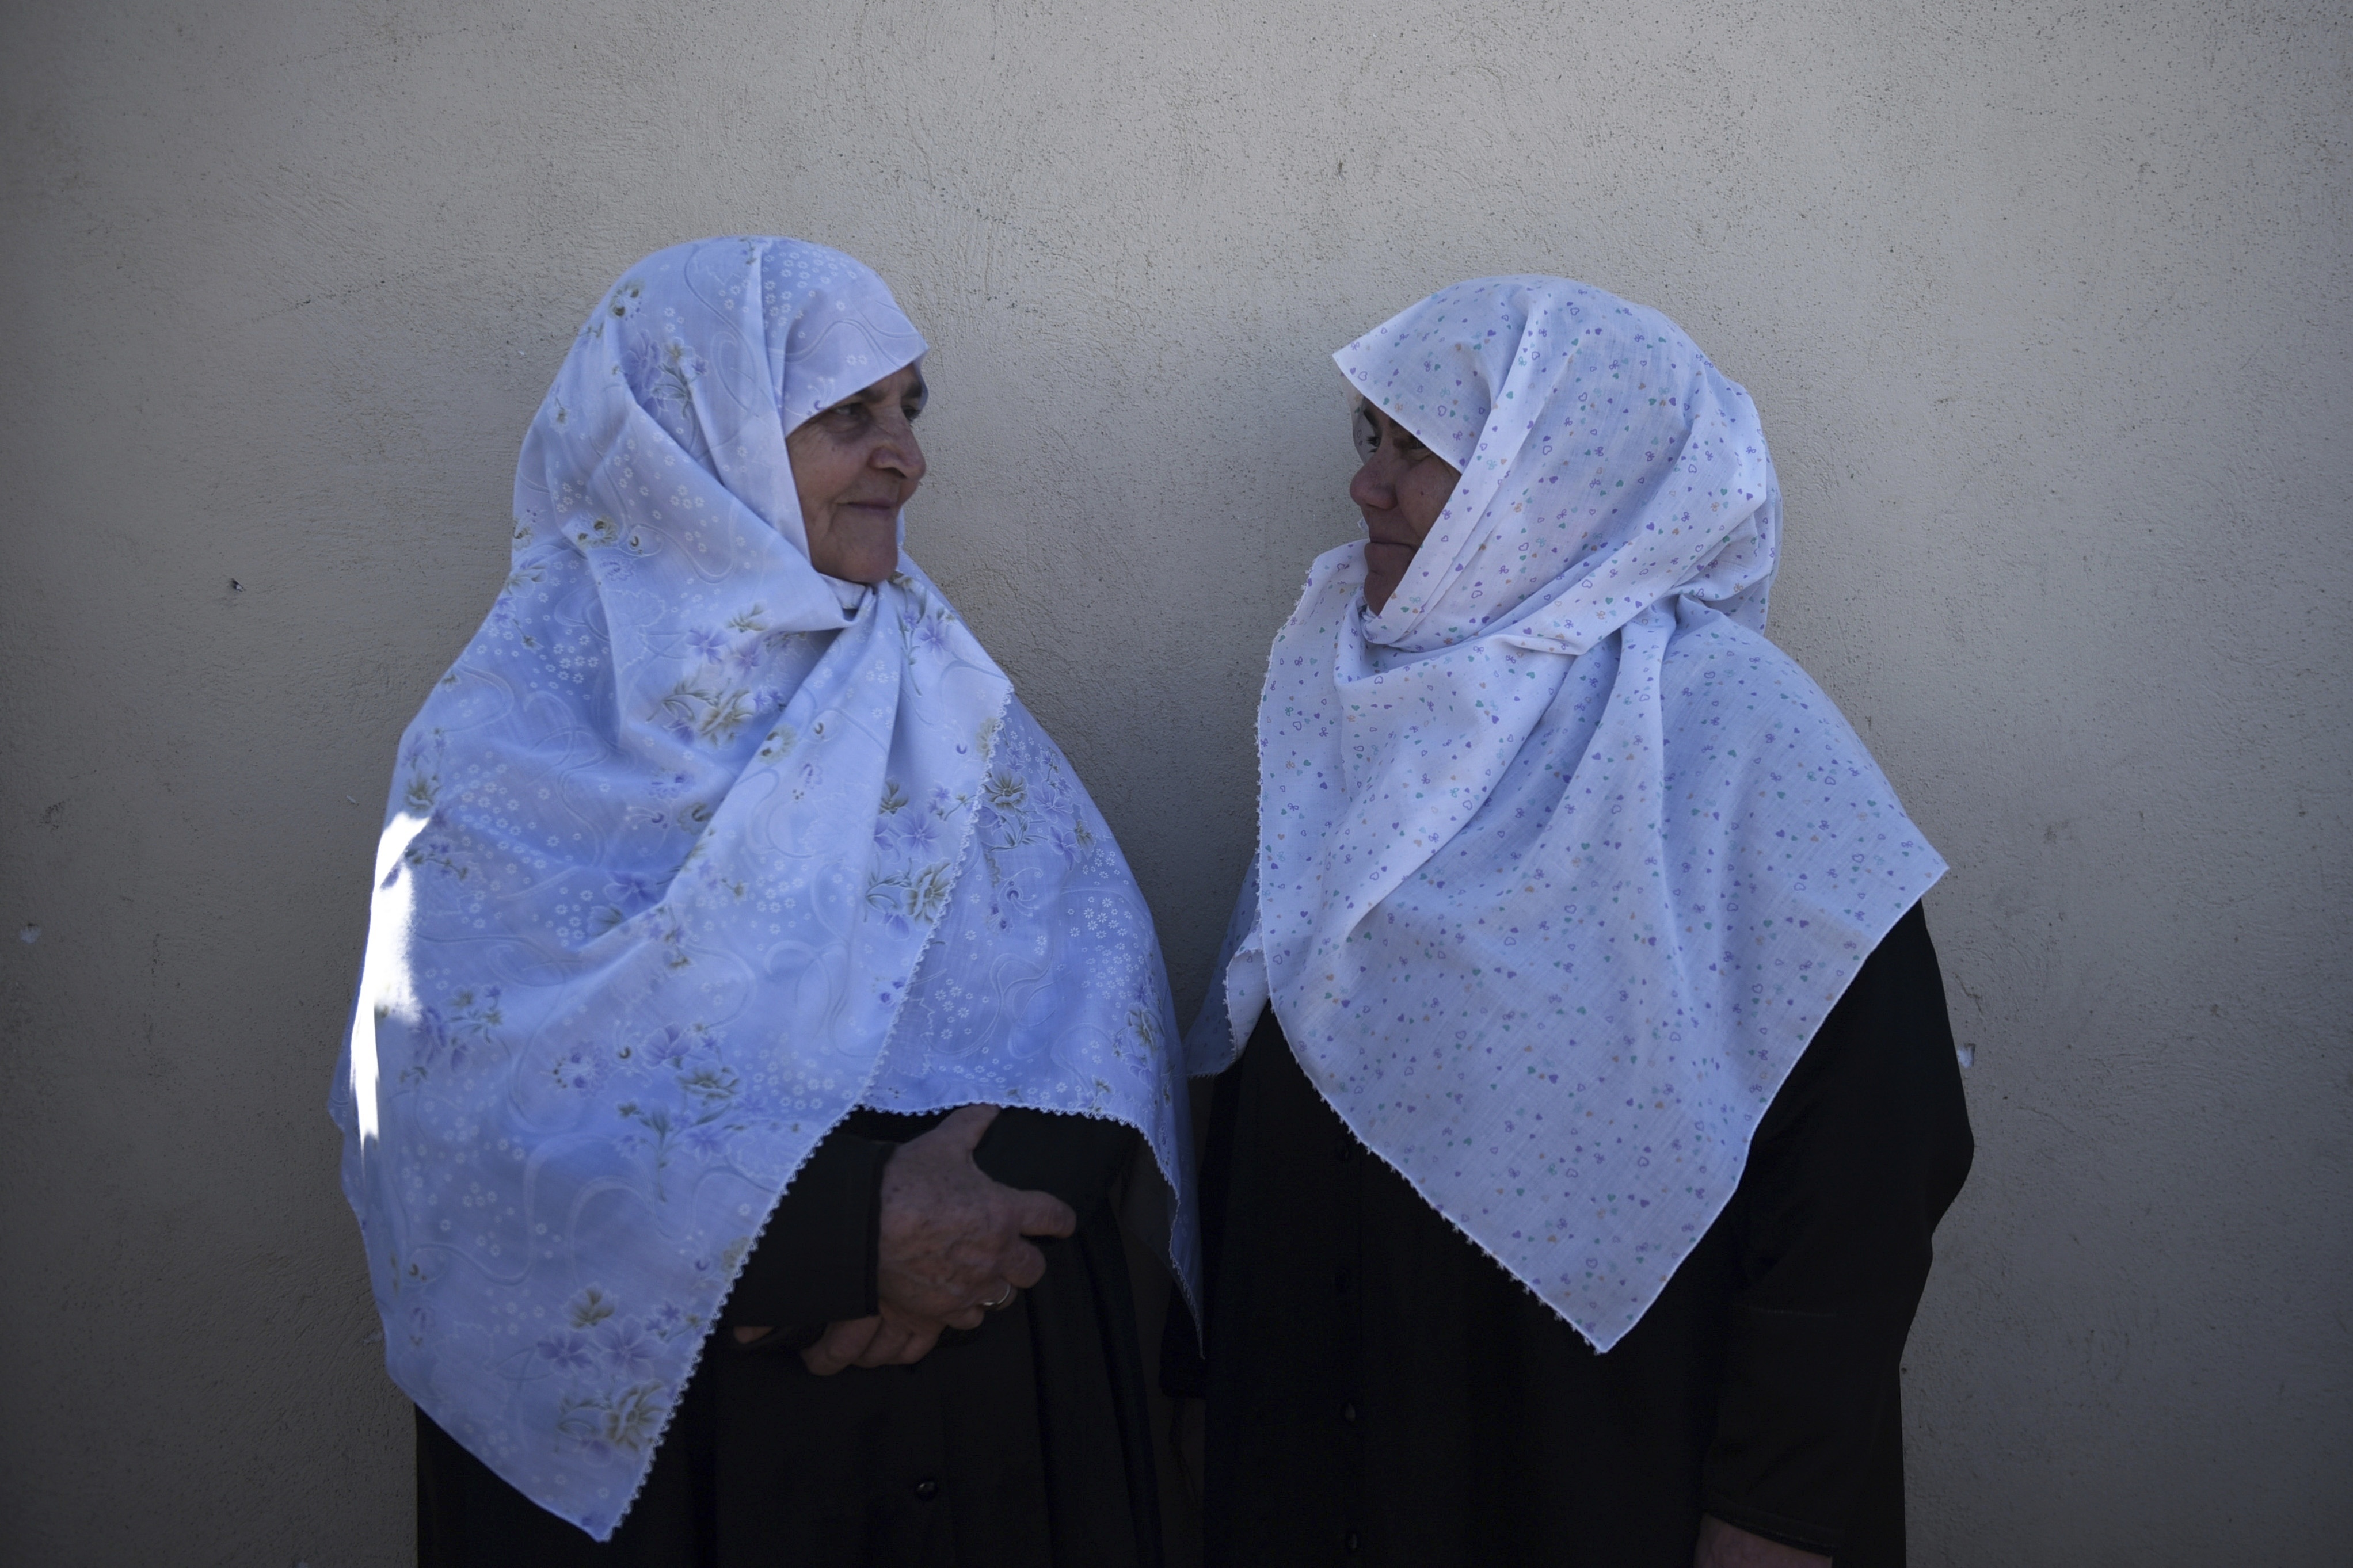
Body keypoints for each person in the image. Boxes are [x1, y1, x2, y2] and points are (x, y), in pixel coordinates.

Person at [329, 236, 1195, 1566]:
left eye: (910, 409)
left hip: (980, 1427)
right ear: (689, 440)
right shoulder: (503, 748)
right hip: (695, 1452)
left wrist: (962, 1235)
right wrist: (843, 1246)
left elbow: (1097, 1002)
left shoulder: (936, 691)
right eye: (852, 414)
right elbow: (448, 1118)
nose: (907, 457)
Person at [1181, 277, 1973, 1566]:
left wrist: (1776, 1515)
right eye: (1369, 439)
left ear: (1554, 474)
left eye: (1418, 449)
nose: (1365, 487)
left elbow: (1875, 1151)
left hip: (1611, 1467)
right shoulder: (1370, 716)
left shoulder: (1733, 738)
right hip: (1347, 1455)